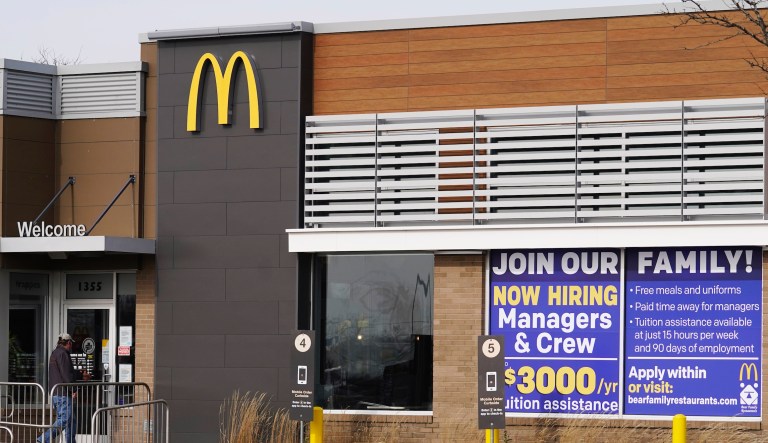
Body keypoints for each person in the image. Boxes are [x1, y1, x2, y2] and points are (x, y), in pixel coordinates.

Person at [38, 333, 91, 443]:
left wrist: (80, 375)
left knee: (71, 420)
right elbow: (67, 375)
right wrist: (74, 390)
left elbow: (65, 373)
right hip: (62, 393)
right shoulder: (63, 353)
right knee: (64, 420)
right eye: (71, 343)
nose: (71, 346)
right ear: (68, 343)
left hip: (58, 392)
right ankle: (42, 440)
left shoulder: (56, 353)